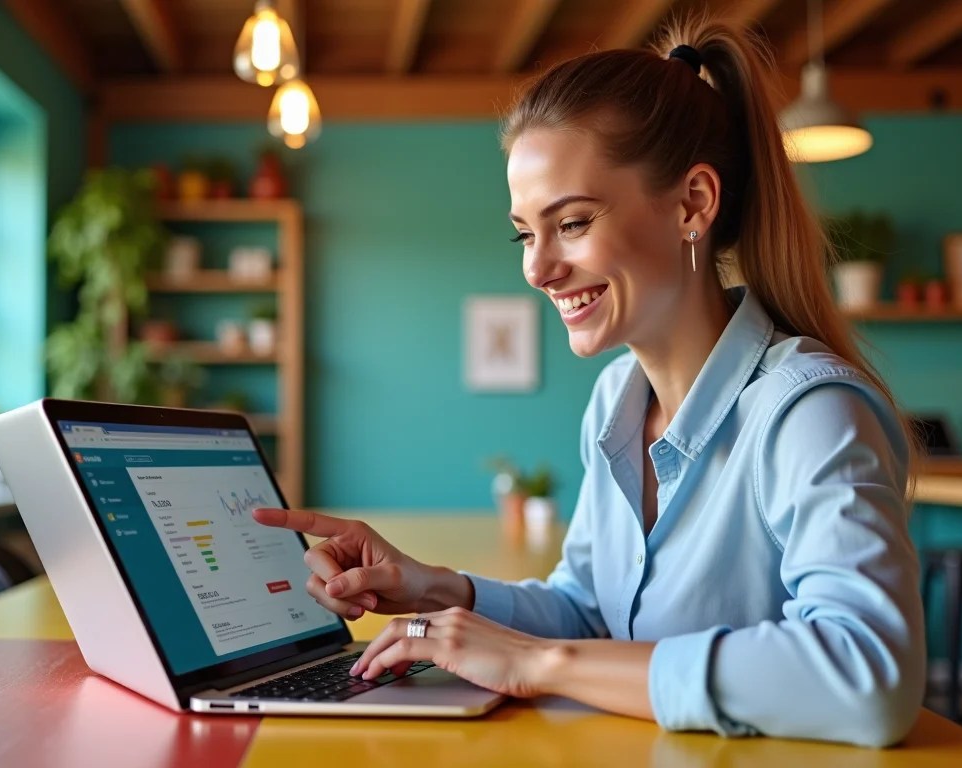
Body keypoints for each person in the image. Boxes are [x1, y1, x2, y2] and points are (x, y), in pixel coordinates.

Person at [253, 17, 925, 748]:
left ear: (693, 204)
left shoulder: (809, 412)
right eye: (524, 233)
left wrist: (543, 662)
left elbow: (871, 675)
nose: (536, 269)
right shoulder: (616, 401)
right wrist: (432, 588)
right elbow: (590, 609)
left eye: (570, 222)